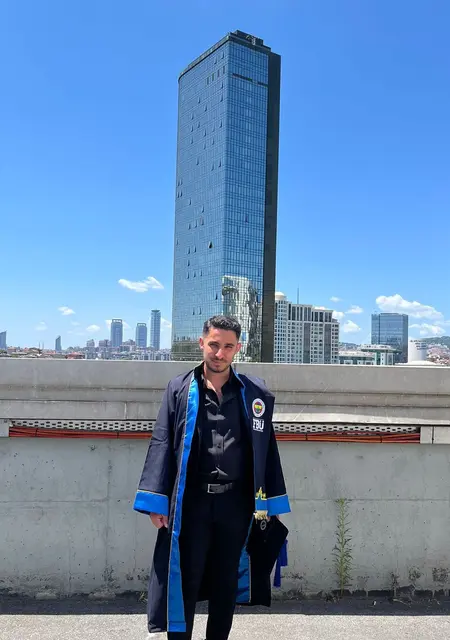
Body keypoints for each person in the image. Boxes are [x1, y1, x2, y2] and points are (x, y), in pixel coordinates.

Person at [134, 315, 290, 639]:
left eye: (228, 347)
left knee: (225, 584)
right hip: (192, 504)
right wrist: (156, 503)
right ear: (201, 343)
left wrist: (271, 505)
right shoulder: (179, 389)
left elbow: (266, 449)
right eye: (214, 345)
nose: (220, 353)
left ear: (238, 349)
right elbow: (162, 442)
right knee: (185, 580)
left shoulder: (254, 393)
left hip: (236, 505)